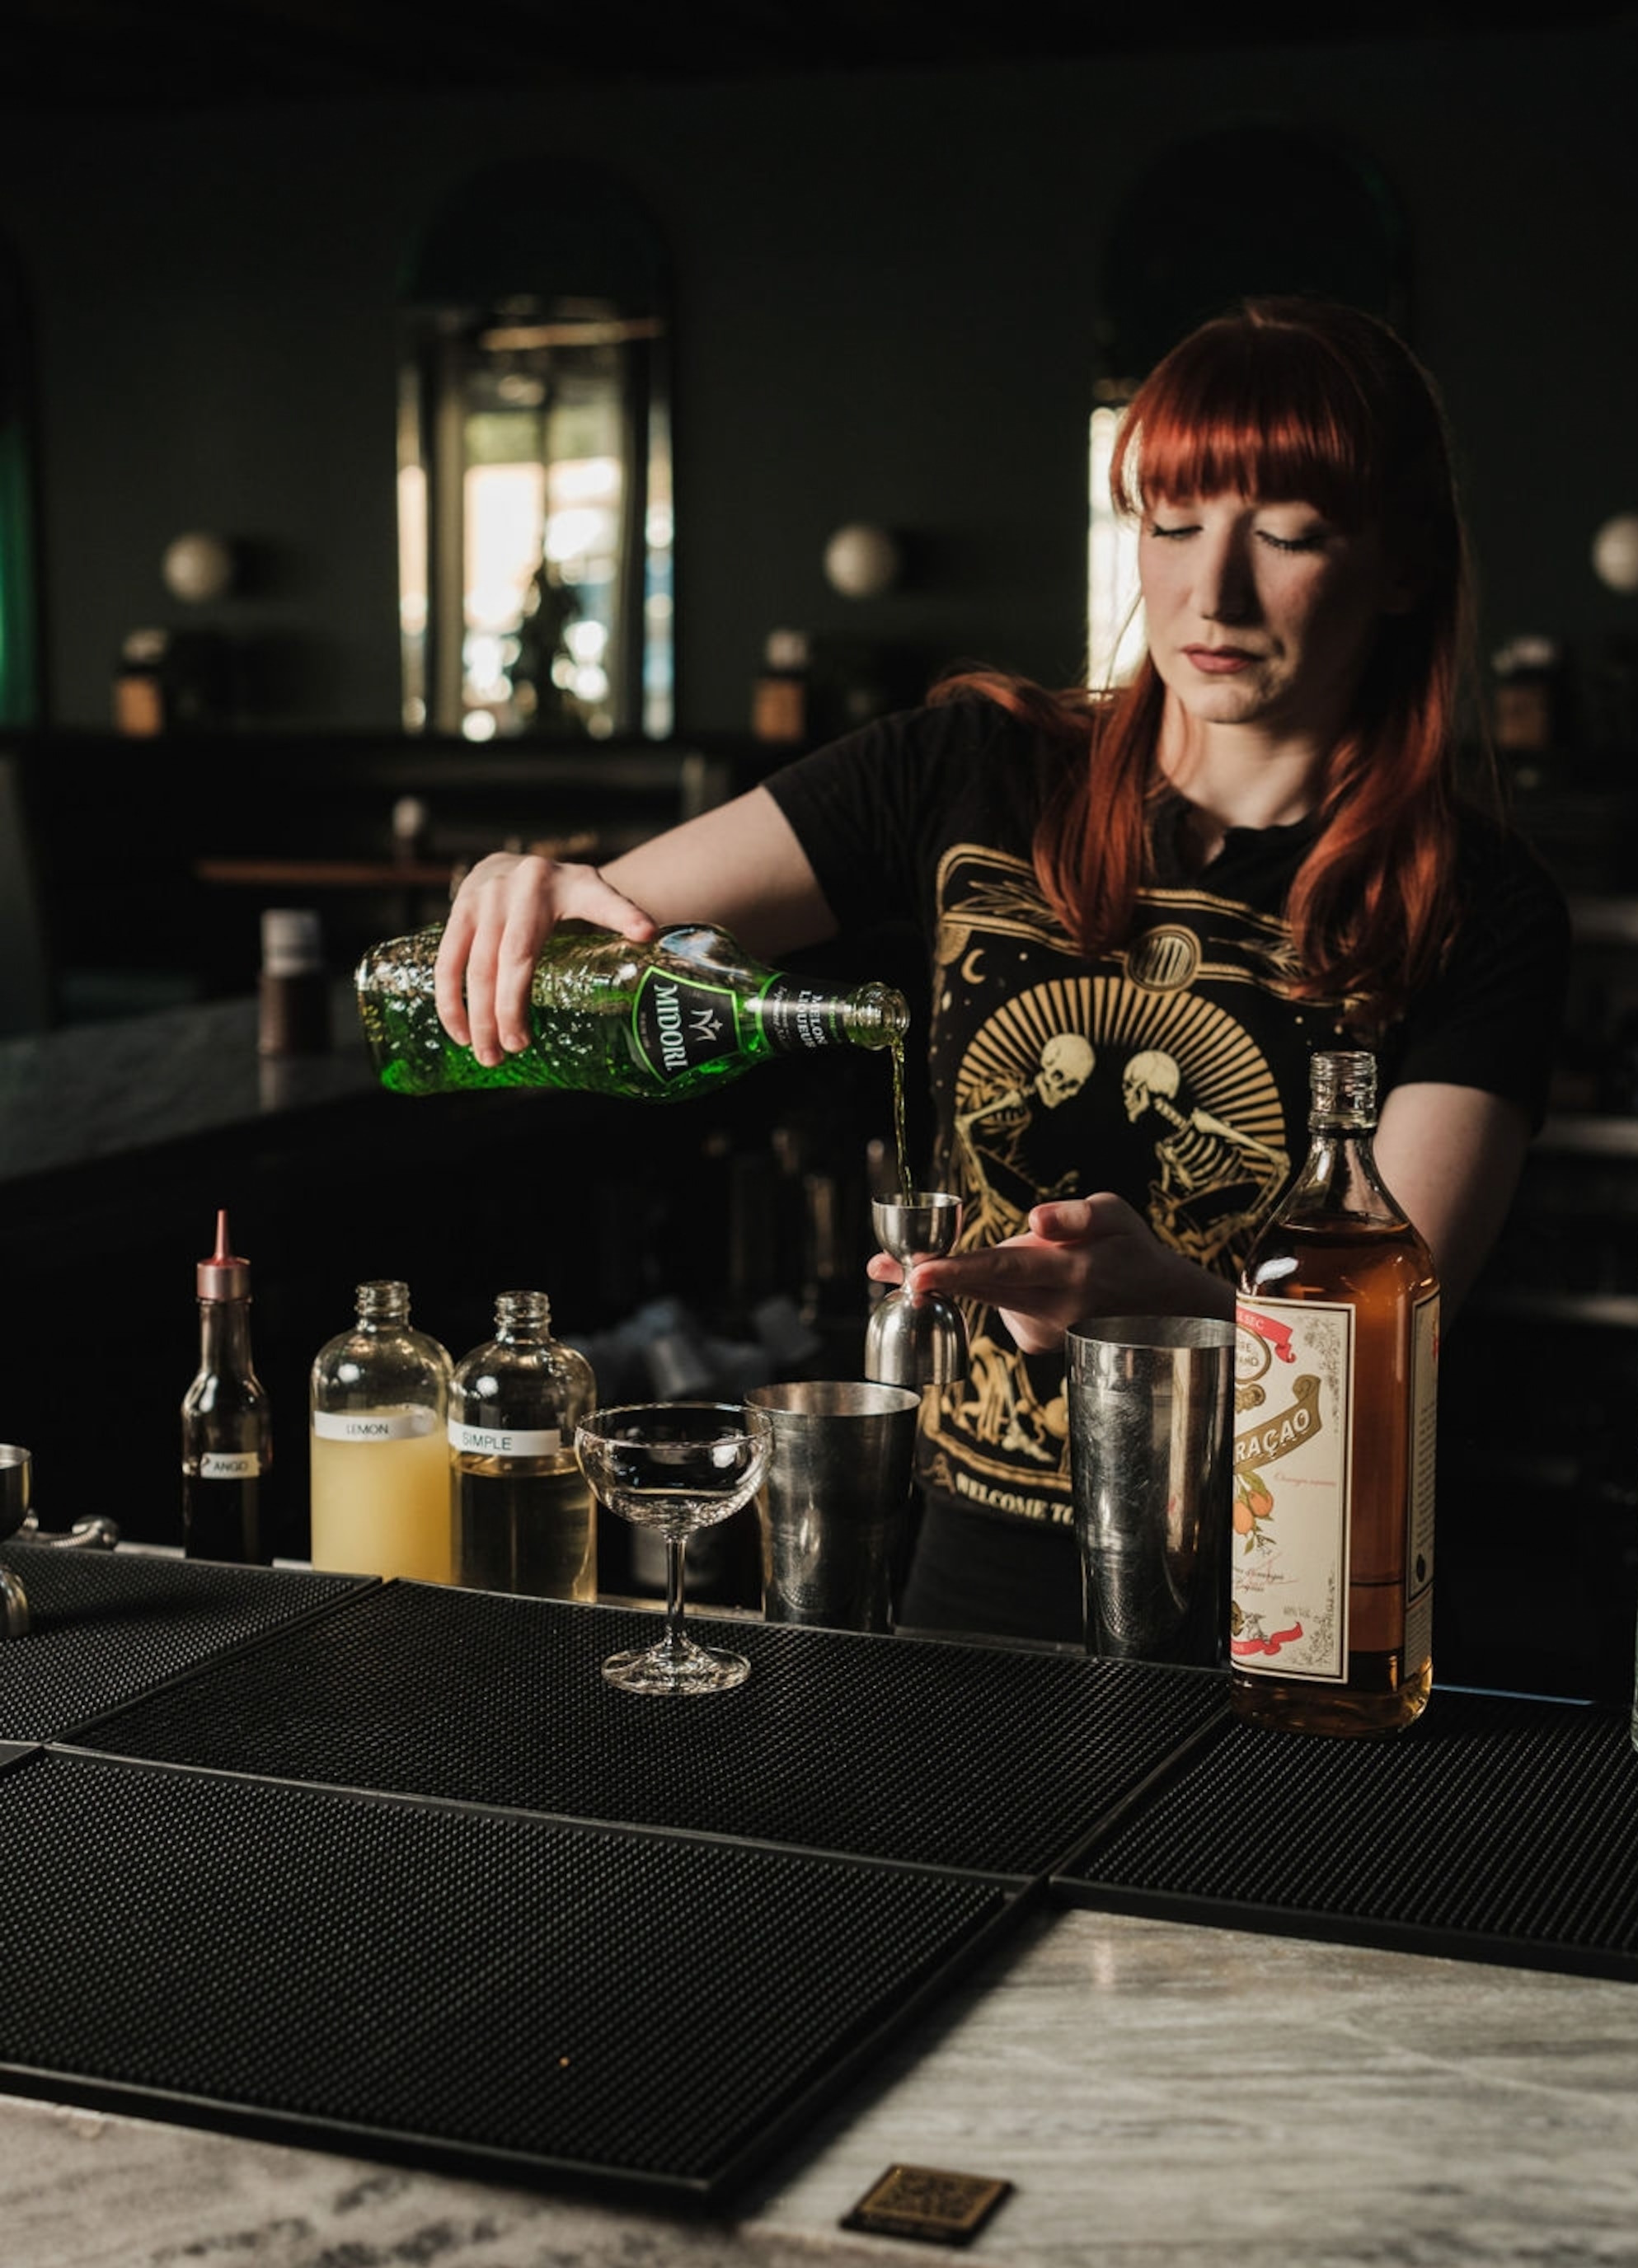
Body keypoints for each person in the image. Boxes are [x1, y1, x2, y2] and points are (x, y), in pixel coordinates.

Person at [432, 296, 1570, 1644]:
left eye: (1286, 534)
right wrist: (535, 888)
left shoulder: (1476, 908)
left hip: (1287, 1600)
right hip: (973, 1574)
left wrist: (1183, 1316)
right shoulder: (965, 774)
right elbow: (612, 923)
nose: (1214, 593)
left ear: (1402, 563)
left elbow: (1390, 1357)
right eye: (1173, 522)